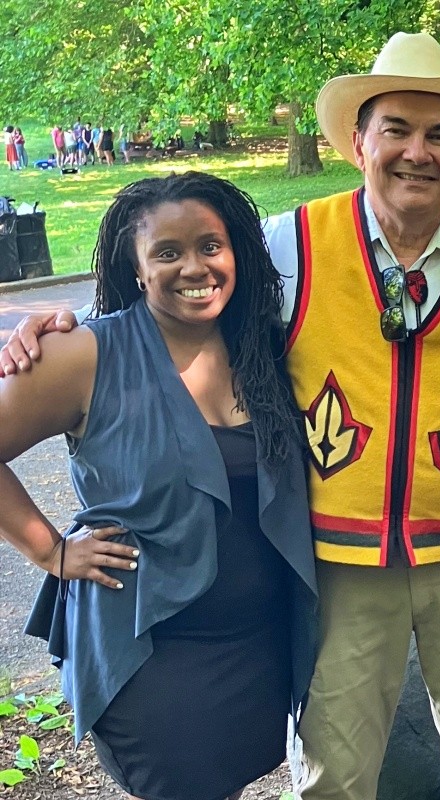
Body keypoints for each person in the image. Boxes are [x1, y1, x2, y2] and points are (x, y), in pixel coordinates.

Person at [0, 31, 440, 800]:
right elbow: (181, 300)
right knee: (330, 771)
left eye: (439, 135)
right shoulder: (288, 247)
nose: (417, 152)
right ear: (359, 141)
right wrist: (61, 331)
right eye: (397, 130)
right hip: (336, 563)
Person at [0, 171, 319, 800]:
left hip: (258, 644)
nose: (194, 267)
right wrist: (49, 551)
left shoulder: (265, 347)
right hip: (150, 649)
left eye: (210, 245)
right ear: (137, 265)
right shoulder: (86, 356)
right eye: (166, 252)